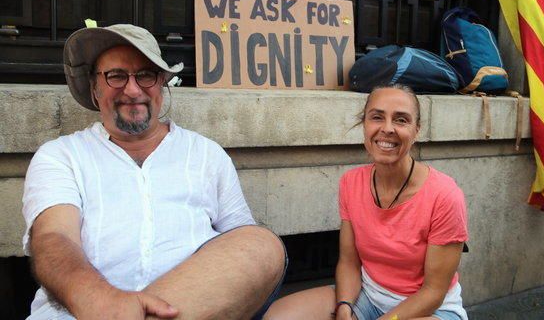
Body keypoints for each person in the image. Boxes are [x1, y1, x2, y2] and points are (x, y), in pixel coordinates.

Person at [22, 24, 286, 320]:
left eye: (146, 75)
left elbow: (242, 249)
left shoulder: (206, 154)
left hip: (188, 312)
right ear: (95, 88)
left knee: (262, 244)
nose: (133, 90)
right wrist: (101, 302)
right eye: (116, 75)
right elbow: (55, 238)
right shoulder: (61, 156)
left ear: (162, 84)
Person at [265, 84, 468, 320]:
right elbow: (349, 263)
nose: (388, 128)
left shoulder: (445, 195)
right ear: (365, 125)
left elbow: (433, 292)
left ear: (416, 131)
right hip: (368, 298)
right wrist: (344, 307)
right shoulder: (351, 183)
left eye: (401, 120)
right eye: (377, 117)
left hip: (430, 310)